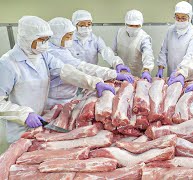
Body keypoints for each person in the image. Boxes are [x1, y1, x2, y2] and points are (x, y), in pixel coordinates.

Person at [0, 16, 115, 144]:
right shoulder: (7, 64)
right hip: (18, 126)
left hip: (41, 118)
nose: (45, 44)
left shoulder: (42, 55)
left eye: (46, 39)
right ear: (27, 38)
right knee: (18, 157)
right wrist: (23, 114)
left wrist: (94, 82)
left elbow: (64, 71)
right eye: (41, 40)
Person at [47, 17, 133, 108]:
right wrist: (112, 74)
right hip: (58, 97)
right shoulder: (55, 51)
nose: (86, 27)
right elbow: (79, 67)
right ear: (57, 36)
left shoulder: (93, 39)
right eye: (82, 24)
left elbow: (105, 51)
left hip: (79, 84)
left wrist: (117, 63)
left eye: (89, 24)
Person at [156, 1, 193, 78]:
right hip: (171, 73)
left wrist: (181, 71)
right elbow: (163, 51)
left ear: (189, 18)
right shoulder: (170, 30)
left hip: (187, 74)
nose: (180, 20)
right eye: (177, 17)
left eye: (183, 18)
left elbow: (189, 57)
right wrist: (160, 68)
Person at [112, 10, 154, 81]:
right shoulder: (119, 32)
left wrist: (147, 70)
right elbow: (113, 52)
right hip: (119, 74)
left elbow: (148, 55)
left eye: (137, 26)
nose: (134, 28)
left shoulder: (144, 37)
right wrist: (116, 65)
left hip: (135, 77)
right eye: (131, 25)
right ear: (126, 24)